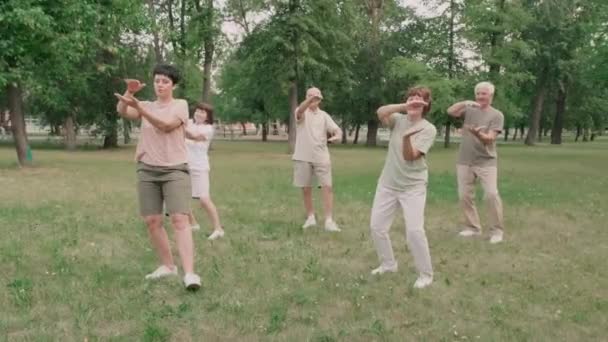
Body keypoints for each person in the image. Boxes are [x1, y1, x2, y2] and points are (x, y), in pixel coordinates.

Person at [114, 64, 201, 290]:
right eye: (157, 81)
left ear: (173, 85)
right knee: (152, 221)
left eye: (165, 81)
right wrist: (129, 93)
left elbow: (166, 126)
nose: (160, 85)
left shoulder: (180, 105)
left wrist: (141, 109)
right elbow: (123, 111)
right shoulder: (146, 104)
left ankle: (190, 274)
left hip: (174, 169)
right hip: (147, 168)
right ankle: (168, 266)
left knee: (180, 220)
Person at [370, 86, 437, 289]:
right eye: (411, 98)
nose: (414, 101)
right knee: (377, 227)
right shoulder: (398, 119)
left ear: (426, 105)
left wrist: (407, 137)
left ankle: (426, 274)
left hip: (413, 186)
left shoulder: (428, 129)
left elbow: (410, 157)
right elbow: (381, 112)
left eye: (419, 99)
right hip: (388, 182)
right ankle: (388, 264)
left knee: (414, 231)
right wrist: (405, 105)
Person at [447, 81, 505, 244]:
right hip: (465, 159)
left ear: (491, 96)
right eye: (478, 93)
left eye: (484, 93)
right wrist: (464, 103)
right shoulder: (469, 109)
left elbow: (490, 139)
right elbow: (451, 111)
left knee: (491, 194)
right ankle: (472, 228)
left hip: (486, 161)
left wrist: (478, 134)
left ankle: (497, 231)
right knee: (464, 195)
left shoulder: (497, 115)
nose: (480, 96)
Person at [292, 87, 342, 232]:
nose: (314, 99)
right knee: (306, 188)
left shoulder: (324, 115)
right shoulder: (301, 112)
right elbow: (300, 110)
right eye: (310, 96)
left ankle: (329, 220)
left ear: (320, 100)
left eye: (316, 97)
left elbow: (336, 129)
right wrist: (309, 99)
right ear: (306, 97)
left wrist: (337, 135)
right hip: (302, 156)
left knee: (327, 187)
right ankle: (310, 217)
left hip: (321, 156)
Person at [184, 102, 224, 240]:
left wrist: (179, 127)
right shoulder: (188, 122)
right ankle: (193, 223)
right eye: (197, 111)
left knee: (204, 199)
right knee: (181, 197)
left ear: (208, 116)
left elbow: (194, 137)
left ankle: (218, 229)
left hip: (199, 167)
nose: (199, 113)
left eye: (203, 112)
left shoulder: (208, 129)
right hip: (184, 166)